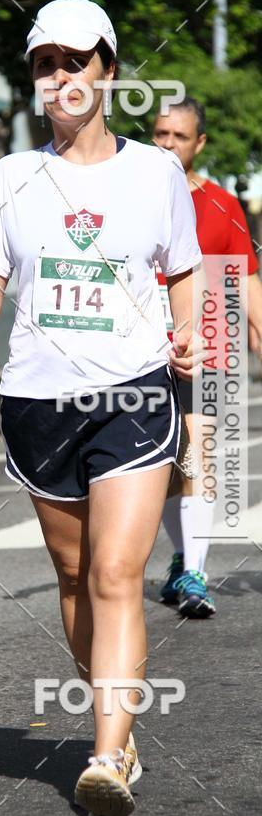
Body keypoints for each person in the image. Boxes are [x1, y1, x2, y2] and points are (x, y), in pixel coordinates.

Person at [0, 0, 203, 816]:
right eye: (44, 62)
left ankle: (107, 753)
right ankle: (115, 734)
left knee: (118, 574)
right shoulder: (12, 176)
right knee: (72, 576)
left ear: (109, 71)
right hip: (35, 402)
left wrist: (189, 335)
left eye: (75, 60)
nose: (59, 75)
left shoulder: (155, 174)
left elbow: (184, 268)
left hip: (130, 394)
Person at [153, 98, 262, 618]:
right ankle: (180, 555)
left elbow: (245, 276)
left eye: (179, 135)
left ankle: (194, 570)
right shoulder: (136, 193)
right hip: (139, 349)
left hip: (207, 344)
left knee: (199, 450)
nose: (168, 143)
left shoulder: (222, 205)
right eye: (160, 133)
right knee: (168, 466)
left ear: (199, 144)